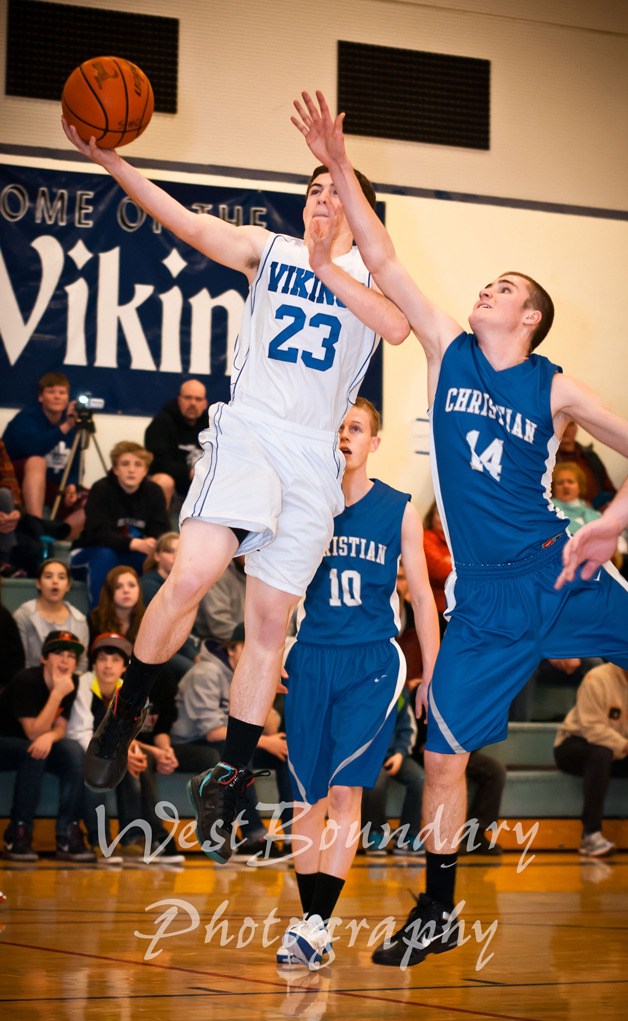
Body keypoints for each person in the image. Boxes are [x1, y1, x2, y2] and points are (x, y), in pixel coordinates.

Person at [291, 90, 628, 967]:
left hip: (559, 574)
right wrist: (336, 162)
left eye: (505, 288)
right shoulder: (447, 349)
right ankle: (437, 909)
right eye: (489, 282)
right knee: (442, 758)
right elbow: (383, 255)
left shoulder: (557, 389)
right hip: (480, 603)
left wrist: (613, 521)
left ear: (531, 320)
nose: (489, 288)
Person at [61, 115, 410, 855]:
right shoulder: (269, 250)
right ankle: (127, 710)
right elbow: (185, 222)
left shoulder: (373, 279)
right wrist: (112, 163)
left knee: (268, 625)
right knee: (190, 574)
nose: (320, 198)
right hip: (249, 434)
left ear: (357, 209)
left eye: (334, 189)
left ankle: (232, 770)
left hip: (314, 459)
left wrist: (330, 265)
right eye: (313, 188)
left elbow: (398, 327)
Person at [276, 398, 438, 968]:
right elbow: (279, 588)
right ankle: (311, 925)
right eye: (338, 426)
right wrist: (268, 653)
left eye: (356, 428)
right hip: (312, 656)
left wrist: (433, 669)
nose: (345, 435)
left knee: (345, 793)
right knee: (305, 801)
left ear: (374, 442)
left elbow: (420, 594)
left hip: (371, 660)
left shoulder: (397, 508)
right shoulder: (300, 505)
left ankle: (316, 924)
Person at [172, 623, 291, 857]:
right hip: (193, 743)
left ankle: (291, 833)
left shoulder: (251, 675)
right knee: (241, 756)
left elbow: (271, 729)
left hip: (228, 742)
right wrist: (265, 743)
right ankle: (252, 832)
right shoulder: (206, 674)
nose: (253, 655)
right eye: (246, 648)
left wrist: (262, 687)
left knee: (286, 754)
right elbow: (212, 731)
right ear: (231, 650)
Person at [67, 632, 184, 864]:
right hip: (80, 745)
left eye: (115, 660)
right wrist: (121, 752)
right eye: (102, 659)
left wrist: (148, 752)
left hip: (110, 747)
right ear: (93, 664)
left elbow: (130, 734)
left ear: (124, 668)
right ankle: (99, 841)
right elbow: (81, 732)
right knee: (93, 770)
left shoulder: (128, 690)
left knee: (134, 763)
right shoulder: (82, 685)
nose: (108, 666)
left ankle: (132, 839)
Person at [0, 630, 94, 862]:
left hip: (38, 742)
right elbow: (32, 732)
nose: (65, 661)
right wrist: (57, 695)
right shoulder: (26, 680)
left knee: (74, 752)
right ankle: (18, 834)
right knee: (33, 753)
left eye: (71, 656)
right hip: (5, 742)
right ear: (43, 658)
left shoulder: (71, 682)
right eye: (58, 653)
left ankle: (67, 835)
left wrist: (50, 737)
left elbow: (60, 727)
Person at [71, 441, 169, 608]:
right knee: (105, 556)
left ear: (145, 471)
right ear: (115, 469)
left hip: (131, 555)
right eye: (125, 464)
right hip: (91, 553)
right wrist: (132, 543)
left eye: (138, 465)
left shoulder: (154, 492)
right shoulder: (101, 489)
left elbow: (161, 531)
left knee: (156, 559)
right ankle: (100, 622)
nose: (131, 470)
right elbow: (96, 533)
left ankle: (143, 623)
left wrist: (152, 542)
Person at [554, 661, 628, 857]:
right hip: (573, 745)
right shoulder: (597, 678)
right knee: (602, 753)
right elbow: (592, 729)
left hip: (617, 748)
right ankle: (590, 835)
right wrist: (625, 745)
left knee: (606, 752)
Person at [2, 372, 85, 534]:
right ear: (41, 397)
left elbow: (76, 462)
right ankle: (36, 525)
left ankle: (57, 534)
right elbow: (33, 448)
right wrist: (64, 428)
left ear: (67, 398)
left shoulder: (72, 423)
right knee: (37, 461)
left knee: (94, 498)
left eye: (62, 393)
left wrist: (72, 486)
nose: (57, 397)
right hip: (16, 481)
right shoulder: (27, 418)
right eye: (51, 392)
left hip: (51, 485)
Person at [361, 685, 424, 857]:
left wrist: (400, 754)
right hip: (367, 757)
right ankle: (375, 833)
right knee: (376, 780)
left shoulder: (399, 689)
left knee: (420, 779)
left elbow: (408, 727)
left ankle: (408, 836)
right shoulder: (360, 687)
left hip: (395, 755)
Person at [13, 559, 89, 672]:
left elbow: (82, 663)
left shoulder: (79, 620)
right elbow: (18, 661)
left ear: (68, 585)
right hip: (30, 683)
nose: (55, 581)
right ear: (38, 583)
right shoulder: (24, 615)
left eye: (61, 577)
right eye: (48, 576)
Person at [140, 532, 199, 677]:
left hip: (185, 647)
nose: (176, 556)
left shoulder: (185, 586)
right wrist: (193, 654)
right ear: (157, 555)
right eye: (170, 551)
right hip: (157, 648)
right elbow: (166, 628)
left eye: (180, 551)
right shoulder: (149, 585)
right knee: (196, 672)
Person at [144, 380, 208, 508]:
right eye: (188, 398)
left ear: (205, 404)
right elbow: (156, 462)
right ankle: (160, 527)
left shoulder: (212, 425)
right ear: (179, 400)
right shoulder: (162, 422)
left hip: (202, 484)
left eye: (198, 399)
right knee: (163, 481)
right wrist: (189, 472)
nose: (193, 403)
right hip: (172, 486)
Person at [557, 477, 628, 587]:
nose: (565, 486)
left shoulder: (591, 511)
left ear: (579, 487)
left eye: (570, 481)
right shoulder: (555, 515)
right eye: (560, 482)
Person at [556, 421, 617, 509]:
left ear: (576, 428)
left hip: (598, 512)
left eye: (570, 425)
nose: (565, 429)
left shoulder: (590, 456)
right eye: (561, 425)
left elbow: (609, 489)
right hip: (565, 514)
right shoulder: (547, 459)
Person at [88, 566, 145, 650]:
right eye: (118, 586)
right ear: (109, 592)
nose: (126, 590)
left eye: (131, 585)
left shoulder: (147, 618)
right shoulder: (96, 619)